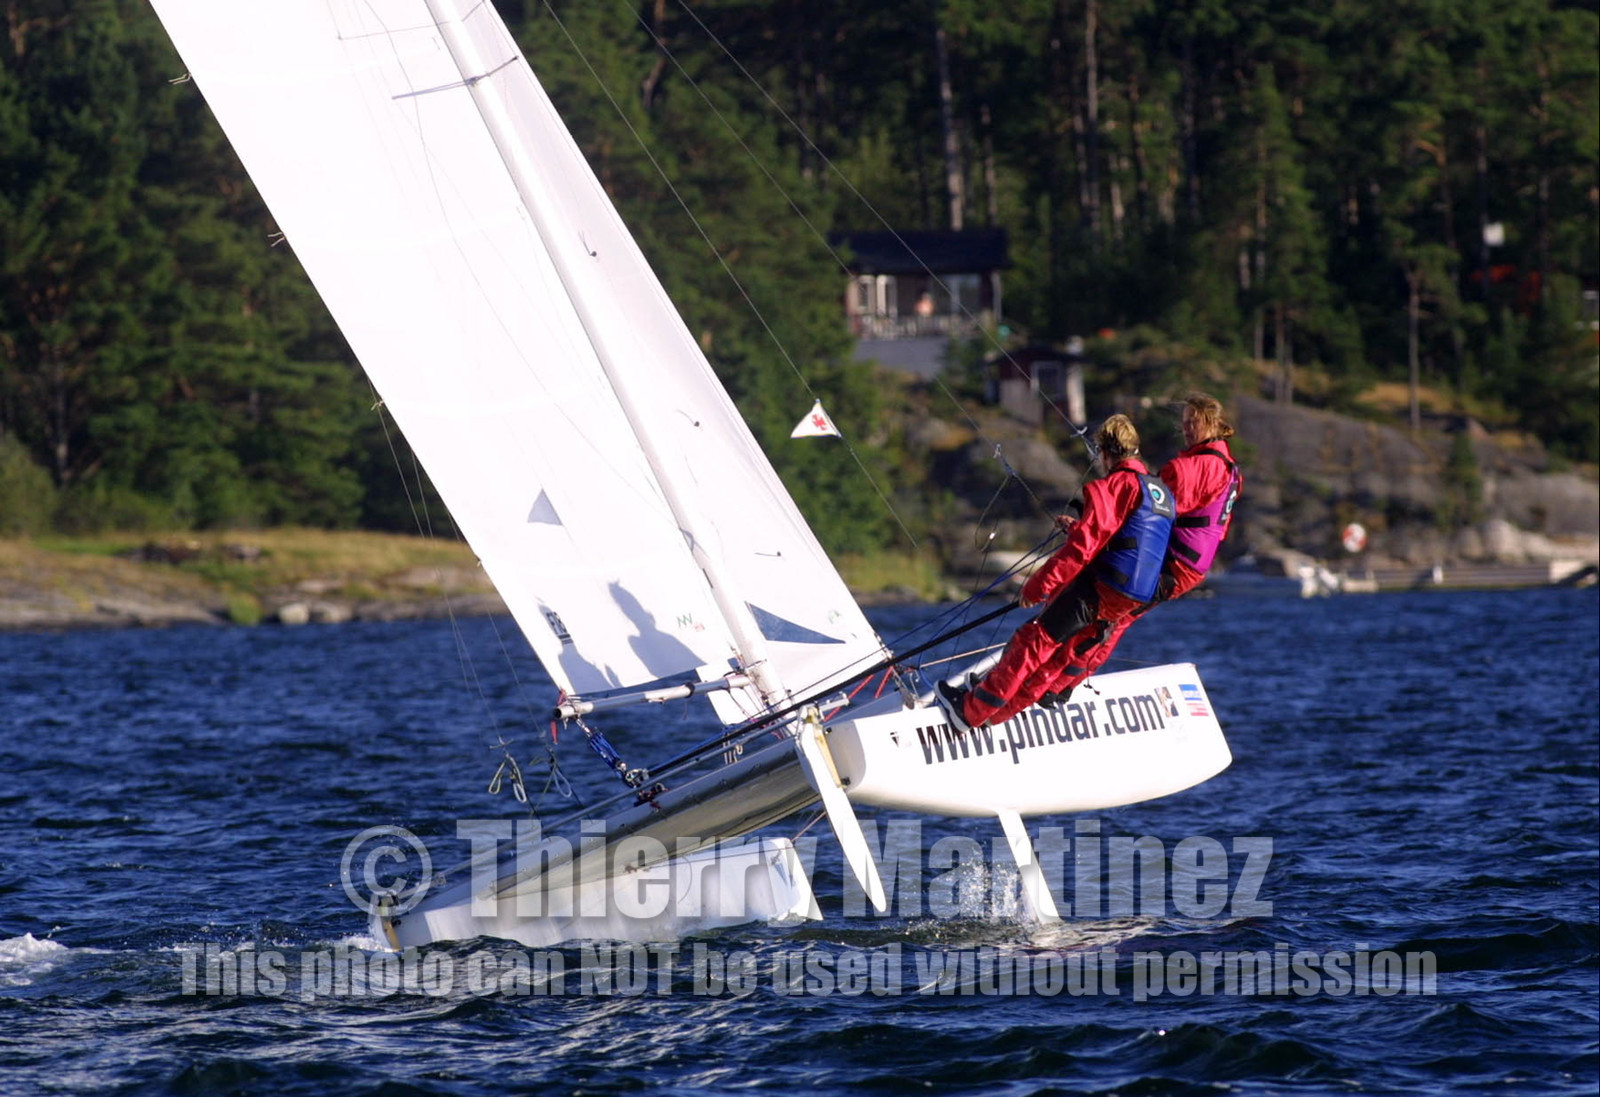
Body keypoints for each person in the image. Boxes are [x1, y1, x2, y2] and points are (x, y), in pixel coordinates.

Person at [937, 414, 1175, 731]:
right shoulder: (1160, 492)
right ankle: (995, 717)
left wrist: (1037, 588)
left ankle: (970, 713)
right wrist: (1077, 527)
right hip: (1132, 599)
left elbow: (1083, 548)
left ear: (1105, 453)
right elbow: (1130, 540)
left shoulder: (1115, 486)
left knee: (1032, 643)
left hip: (1100, 589)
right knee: (1056, 658)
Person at [1028, 392, 1242, 705]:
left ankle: (1052, 685)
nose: (1186, 429)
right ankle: (1056, 683)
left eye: (1193, 423)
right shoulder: (1226, 466)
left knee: (1108, 618)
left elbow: (1146, 514)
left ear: (1211, 424)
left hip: (1174, 563)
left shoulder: (1197, 468)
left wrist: (1094, 516)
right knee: (1110, 616)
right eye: (1184, 423)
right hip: (1186, 563)